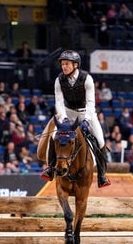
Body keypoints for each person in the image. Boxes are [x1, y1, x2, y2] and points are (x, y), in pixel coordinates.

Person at [40, 50, 111, 188]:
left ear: (75, 65)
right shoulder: (59, 80)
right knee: (55, 135)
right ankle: (50, 169)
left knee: (100, 140)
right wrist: (64, 119)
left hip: (86, 113)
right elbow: (59, 103)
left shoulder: (87, 79)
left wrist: (86, 120)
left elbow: (91, 103)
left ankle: (102, 175)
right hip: (69, 112)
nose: (63, 67)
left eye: (67, 64)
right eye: (62, 64)